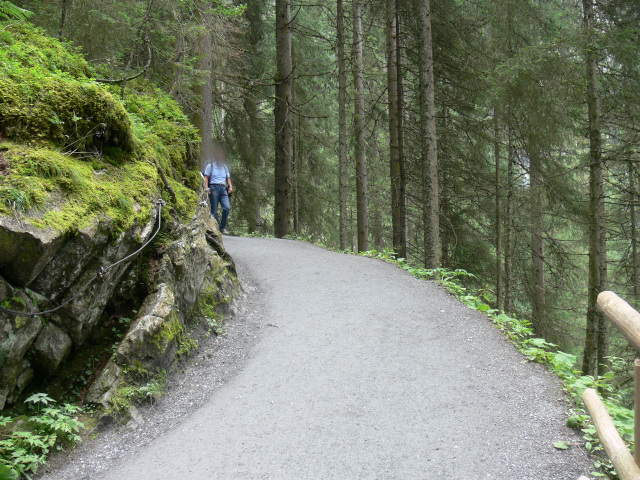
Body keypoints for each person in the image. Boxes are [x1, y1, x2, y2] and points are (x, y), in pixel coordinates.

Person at [204, 147, 233, 234]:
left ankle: (222, 227)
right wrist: (206, 188)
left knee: (226, 207)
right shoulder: (210, 166)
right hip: (214, 188)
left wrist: (230, 186)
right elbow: (206, 177)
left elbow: (228, 177)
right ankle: (215, 228)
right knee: (214, 210)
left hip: (223, 188)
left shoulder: (224, 167)